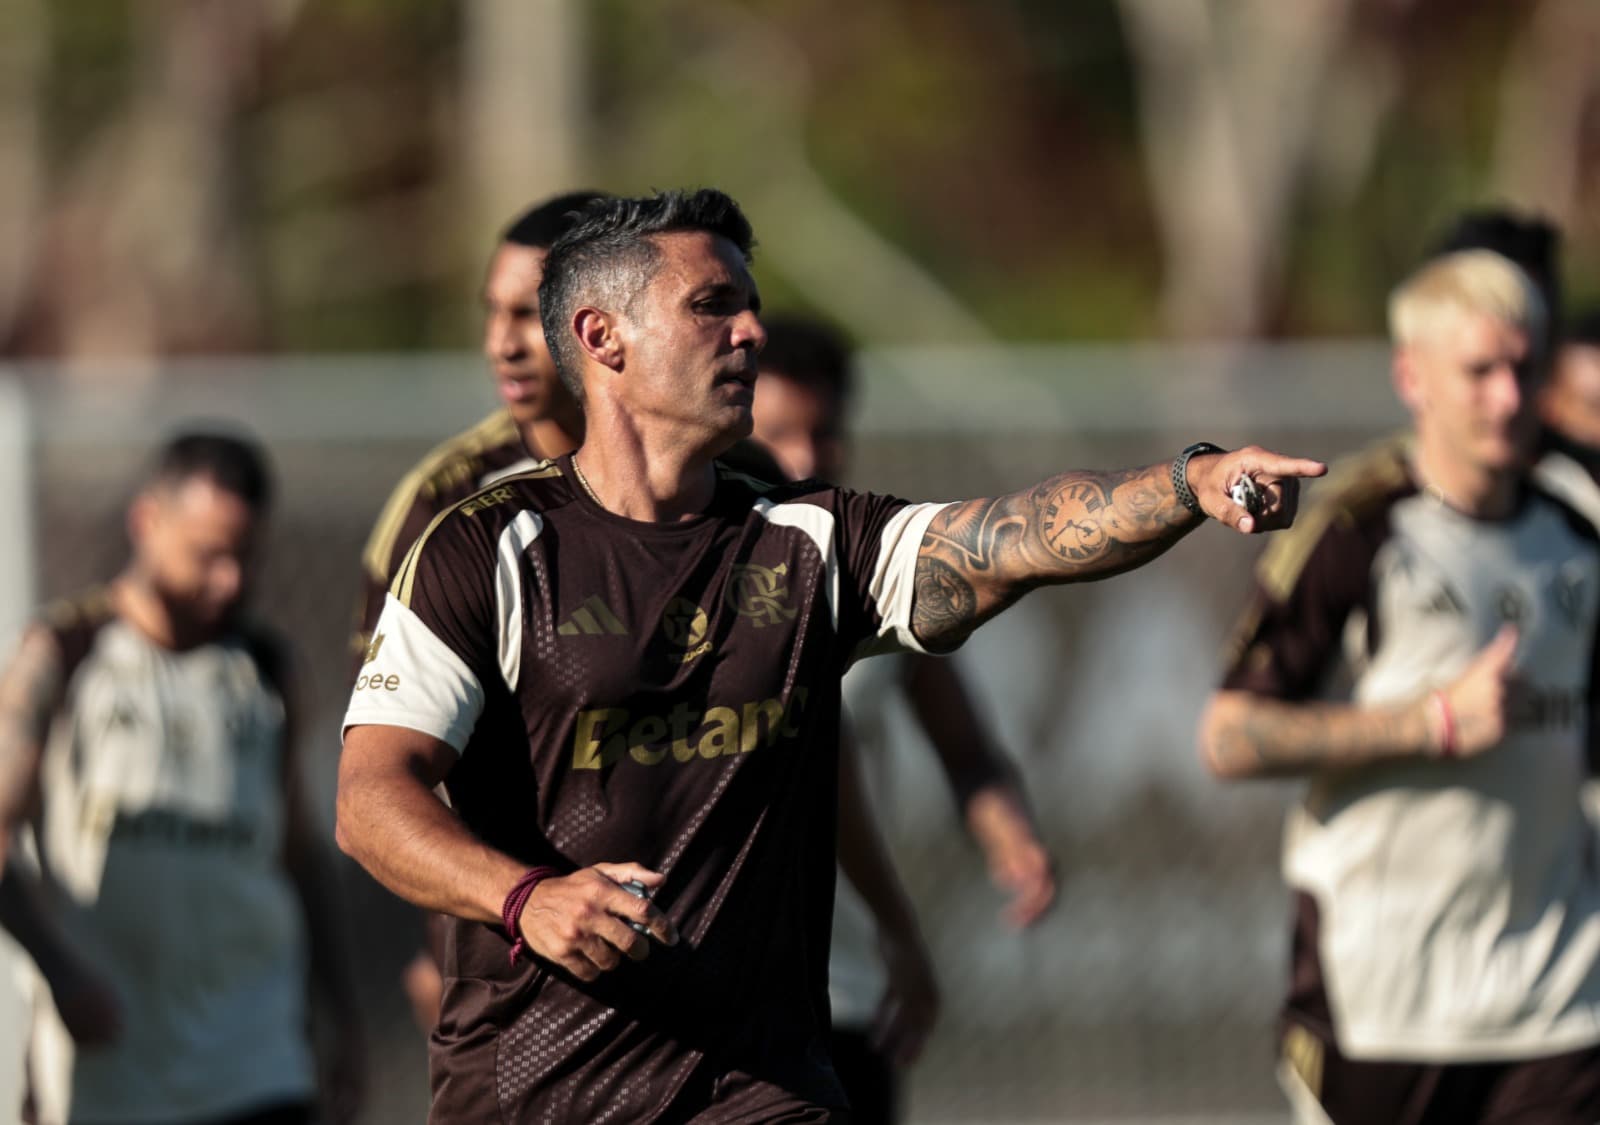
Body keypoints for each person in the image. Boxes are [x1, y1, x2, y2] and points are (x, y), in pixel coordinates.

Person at [336, 187, 1323, 1123]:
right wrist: (523, 899)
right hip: (534, 1091)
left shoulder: (807, 541)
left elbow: (1014, 534)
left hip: (763, 1089)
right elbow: (370, 797)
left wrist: (1189, 482)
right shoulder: (485, 546)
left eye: (752, 307)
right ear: (604, 337)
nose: (752, 333)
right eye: (712, 306)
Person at [1198, 250, 1600, 1124]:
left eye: (1524, 368)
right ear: (1410, 376)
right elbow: (1229, 734)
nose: (1507, 396)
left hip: (1559, 998)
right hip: (1384, 1001)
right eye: (1479, 371)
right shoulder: (1358, 530)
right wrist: (1429, 722)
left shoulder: (1580, 530)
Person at [0, 431, 363, 1125]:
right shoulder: (63, 655)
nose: (227, 579)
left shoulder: (267, 668)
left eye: (243, 558)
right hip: (112, 1073)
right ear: (148, 521)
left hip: (254, 1061)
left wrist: (342, 1018)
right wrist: (60, 970)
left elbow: (300, 854)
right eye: (207, 555)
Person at [750, 315, 1056, 1122]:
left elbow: (966, 749)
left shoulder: (871, 578)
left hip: (853, 991)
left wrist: (1008, 835)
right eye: (779, 432)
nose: (807, 457)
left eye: (825, 432)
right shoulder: (685, 573)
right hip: (719, 1006)